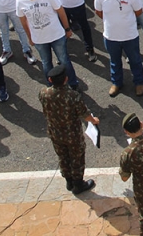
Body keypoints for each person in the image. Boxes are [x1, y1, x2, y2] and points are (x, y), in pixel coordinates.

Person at [39, 64, 100, 195]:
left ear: (50, 80)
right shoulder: (72, 95)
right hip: (72, 134)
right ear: (66, 79)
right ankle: (78, 184)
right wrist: (94, 121)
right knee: (76, 158)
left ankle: (68, 180)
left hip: (55, 132)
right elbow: (84, 114)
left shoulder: (44, 93)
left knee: (63, 156)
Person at [16, 0, 80, 89]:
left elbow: (60, 11)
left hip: (56, 35)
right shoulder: (20, 2)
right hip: (39, 39)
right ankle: (52, 87)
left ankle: (73, 84)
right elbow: (23, 21)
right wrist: (30, 37)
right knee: (46, 63)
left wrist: (67, 28)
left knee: (64, 60)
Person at [94, 0, 143, 97]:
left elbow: (138, 11)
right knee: (114, 61)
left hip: (130, 36)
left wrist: (125, 21)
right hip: (111, 36)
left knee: (135, 60)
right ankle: (116, 83)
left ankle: (139, 82)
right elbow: (99, 12)